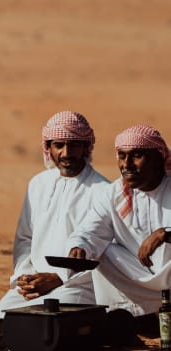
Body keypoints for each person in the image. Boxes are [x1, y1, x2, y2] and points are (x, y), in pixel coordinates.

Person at [0, 111, 109, 319]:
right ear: (48, 148)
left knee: (44, 321)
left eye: (73, 145)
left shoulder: (103, 191)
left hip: (77, 286)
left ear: (85, 147)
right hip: (34, 284)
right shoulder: (38, 184)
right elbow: (25, 238)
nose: (66, 153)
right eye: (59, 145)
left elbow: (105, 253)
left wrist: (59, 277)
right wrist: (25, 276)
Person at [68, 124, 171, 317]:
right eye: (122, 156)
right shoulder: (114, 193)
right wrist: (80, 247)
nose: (127, 165)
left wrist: (164, 234)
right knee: (104, 252)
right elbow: (91, 229)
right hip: (140, 277)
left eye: (136, 156)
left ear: (158, 158)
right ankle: (130, 318)